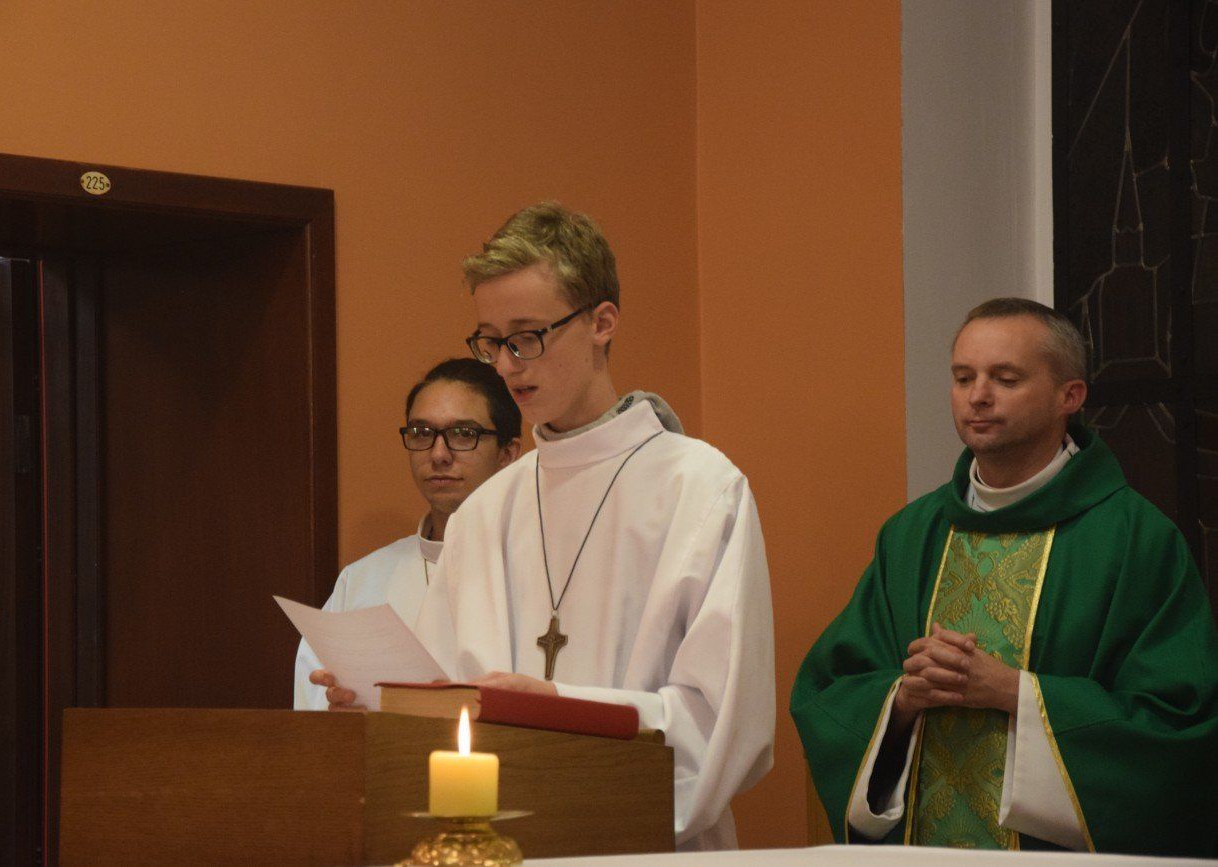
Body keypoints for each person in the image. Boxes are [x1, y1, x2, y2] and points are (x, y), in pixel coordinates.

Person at [401, 202, 775, 850]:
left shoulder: (701, 491)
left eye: (527, 336)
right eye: (491, 341)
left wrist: (556, 705)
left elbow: (722, 723)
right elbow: (446, 705)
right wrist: (376, 704)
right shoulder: (487, 510)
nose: (506, 365)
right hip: (504, 849)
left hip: (649, 850)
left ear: (602, 322)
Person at [791, 298, 1218, 856]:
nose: (978, 396)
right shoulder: (911, 534)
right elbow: (829, 693)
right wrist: (902, 698)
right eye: (963, 377)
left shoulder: (1135, 540)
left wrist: (1015, 693)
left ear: (1070, 396)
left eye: (1005, 378)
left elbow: (1179, 725)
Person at [294, 357, 521, 710]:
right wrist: (339, 712)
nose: (439, 454)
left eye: (463, 434)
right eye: (422, 433)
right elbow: (311, 714)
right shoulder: (362, 582)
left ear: (508, 454)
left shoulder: (539, 569)